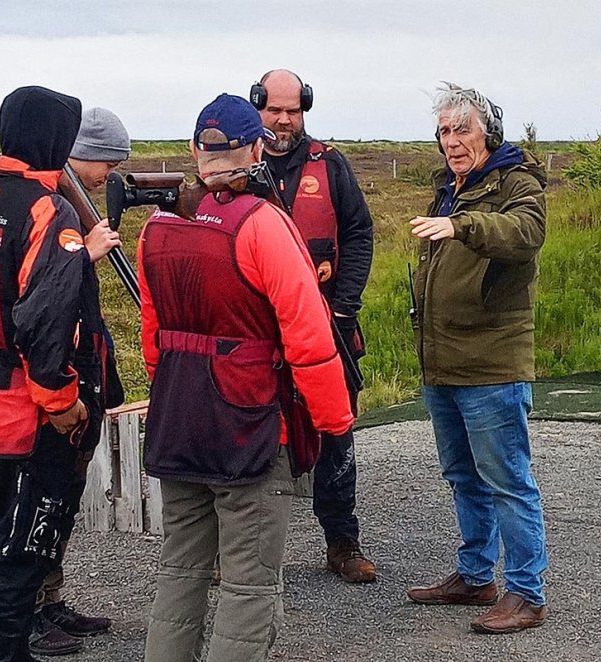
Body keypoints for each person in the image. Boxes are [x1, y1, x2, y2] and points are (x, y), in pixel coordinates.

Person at [140, 93, 354, 662]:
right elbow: (310, 341)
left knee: (179, 570)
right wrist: (335, 423)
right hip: (249, 425)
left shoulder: (155, 227)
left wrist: (173, 394)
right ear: (256, 148)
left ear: (194, 151)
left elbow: (154, 338)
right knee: (249, 584)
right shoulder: (262, 225)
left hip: (178, 420)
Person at [0, 85, 122, 662]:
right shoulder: (48, 211)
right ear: (58, 140)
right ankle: (11, 651)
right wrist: (62, 405)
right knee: (23, 549)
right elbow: (48, 319)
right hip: (25, 415)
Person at [406, 82, 549, 634]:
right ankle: (475, 576)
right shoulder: (449, 186)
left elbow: (526, 233)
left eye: (461, 129)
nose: (451, 141)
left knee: (507, 479)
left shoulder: (515, 181)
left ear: (487, 130)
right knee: (463, 476)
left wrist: (462, 225)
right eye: (444, 131)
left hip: (491, 361)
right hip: (442, 361)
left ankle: (527, 594)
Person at [251, 69, 376, 583]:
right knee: (251, 436)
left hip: (327, 328)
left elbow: (360, 233)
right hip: (256, 337)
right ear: (257, 106)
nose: (284, 119)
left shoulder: (331, 166)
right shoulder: (238, 164)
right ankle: (243, 554)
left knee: (335, 433)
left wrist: (344, 308)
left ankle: (341, 542)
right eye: (274, 109)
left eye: (293, 110)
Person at [27, 106, 131, 657]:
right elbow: (38, 301)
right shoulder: (46, 207)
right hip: (57, 375)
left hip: (83, 364)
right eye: (106, 164)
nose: (109, 176)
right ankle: (26, 610)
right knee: (40, 496)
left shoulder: (69, 202)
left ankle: (49, 599)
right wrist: (83, 256)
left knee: (62, 494)